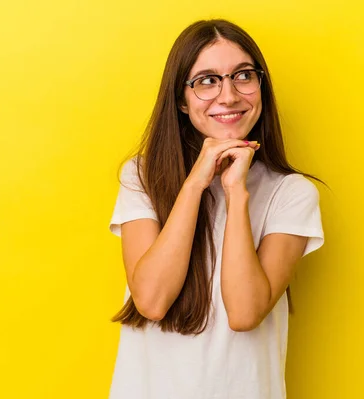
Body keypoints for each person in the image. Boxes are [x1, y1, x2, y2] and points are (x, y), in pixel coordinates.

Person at [108, 18, 325, 399]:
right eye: (207, 80)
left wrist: (235, 191)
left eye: (243, 76)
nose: (228, 96)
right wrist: (194, 184)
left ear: (261, 86)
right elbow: (152, 300)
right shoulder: (141, 176)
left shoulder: (292, 193)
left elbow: (244, 314)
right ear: (181, 98)